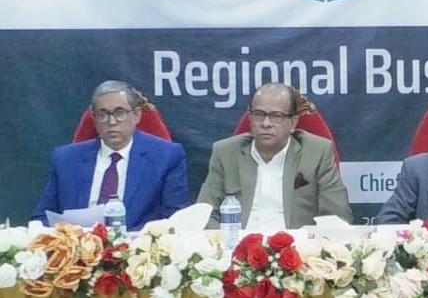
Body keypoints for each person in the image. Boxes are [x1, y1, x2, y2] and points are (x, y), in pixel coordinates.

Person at [33, 80, 189, 230]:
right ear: (94, 119)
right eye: (103, 114)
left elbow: (174, 220)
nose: (112, 121)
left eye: (120, 113)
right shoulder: (66, 159)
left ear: (137, 115)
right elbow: (42, 218)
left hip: (137, 244)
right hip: (80, 244)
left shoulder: (166, 156)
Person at [199, 83, 352, 229]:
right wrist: (228, 240)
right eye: (259, 115)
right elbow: (204, 215)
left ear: (293, 123)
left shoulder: (317, 152)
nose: (266, 123)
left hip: (296, 245)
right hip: (238, 243)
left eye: (276, 116)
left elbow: (338, 218)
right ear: (250, 119)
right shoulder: (225, 152)